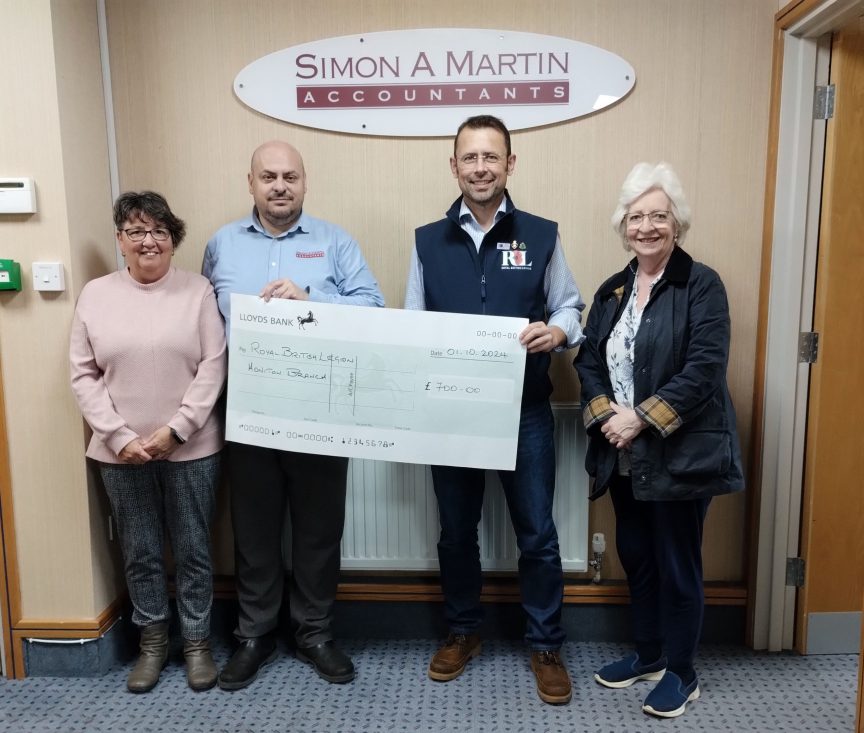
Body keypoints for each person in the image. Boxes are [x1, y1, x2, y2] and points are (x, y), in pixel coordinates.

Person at [405, 115, 585, 705]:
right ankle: (463, 633)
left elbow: (570, 308)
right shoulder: (427, 240)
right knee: (457, 533)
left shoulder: (541, 234)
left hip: (525, 411)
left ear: (511, 164)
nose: (480, 168)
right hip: (451, 415)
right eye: (469, 158)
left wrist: (555, 336)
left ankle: (545, 643)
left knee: (537, 534)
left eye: (491, 157)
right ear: (453, 166)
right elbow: (412, 325)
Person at [203, 140, 384, 690]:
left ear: (305, 183)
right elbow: (202, 320)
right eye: (268, 177)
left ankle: (314, 633)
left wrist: (311, 301)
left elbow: (373, 309)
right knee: (255, 529)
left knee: (318, 528)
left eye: (289, 176)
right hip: (248, 408)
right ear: (251, 182)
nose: (279, 186)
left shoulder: (336, 243)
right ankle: (254, 635)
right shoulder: (221, 246)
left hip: (322, 408)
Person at [574, 162, 744, 718]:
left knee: (677, 564)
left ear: (678, 223)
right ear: (624, 225)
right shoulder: (614, 288)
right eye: (636, 216)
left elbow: (704, 369)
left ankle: (682, 672)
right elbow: (589, 359)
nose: (646, 226)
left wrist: (640, 418)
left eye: (658, 216)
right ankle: (647, 655)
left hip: (679, 455)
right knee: (638, 558)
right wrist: (607, 418)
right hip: (622, 454)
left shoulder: (702, 284)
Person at [70, 191, 227, 693]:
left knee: (194, 547)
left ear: (173, 240)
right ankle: (153, 643)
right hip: (121, 454)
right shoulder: (95, 294)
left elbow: (214, 363)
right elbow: (82, 374)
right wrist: (118, 436)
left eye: (159, 231)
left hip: (191, 445)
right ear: (120, 240)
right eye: (136, 231)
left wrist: (177, 428)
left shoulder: (197, 290)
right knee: (139, 551)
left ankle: (198, 643)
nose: (148, 241)